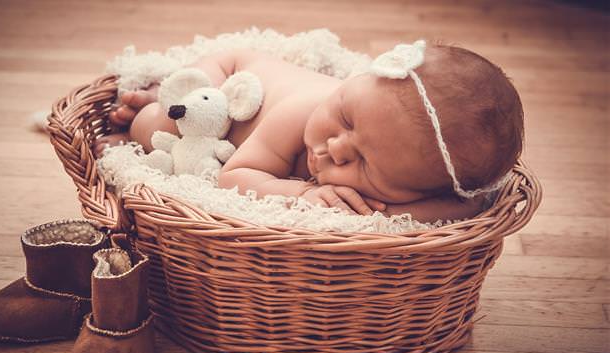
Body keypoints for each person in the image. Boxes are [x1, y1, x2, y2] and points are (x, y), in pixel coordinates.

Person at [92, 41, 523, 223]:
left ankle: (154, 97)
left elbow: (461, 206)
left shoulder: (412, 179)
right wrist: (300, 194)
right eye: (346, 119)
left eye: (366, 165)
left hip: (234, 115)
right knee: (157, 126)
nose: (334, 148)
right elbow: (234, 176)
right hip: (231, 79)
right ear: (352, 86)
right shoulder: (304, 111)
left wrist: (395, 212)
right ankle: (151, 100)